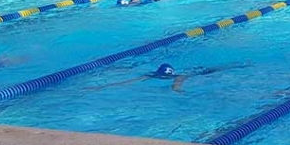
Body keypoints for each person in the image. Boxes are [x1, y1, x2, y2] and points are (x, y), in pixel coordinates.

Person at [85, 62, 250, 93]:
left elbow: (178, 82)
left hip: (201, 72)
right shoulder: (153, 75)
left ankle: (237, 65)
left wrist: (177, 90)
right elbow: (129, 81)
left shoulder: (179, 75)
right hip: (189, 71)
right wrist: (102, 87)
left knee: (215, 69)